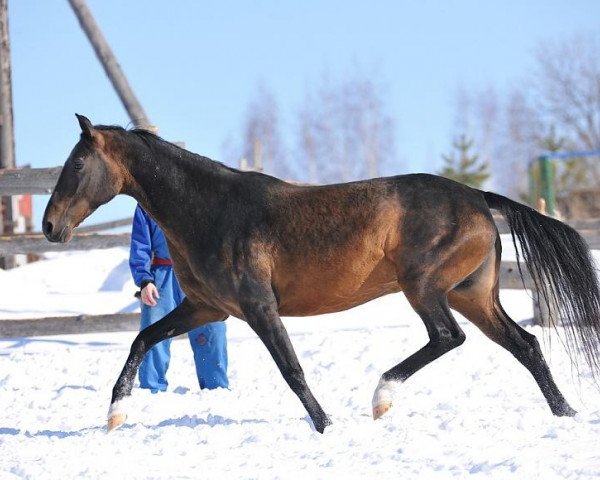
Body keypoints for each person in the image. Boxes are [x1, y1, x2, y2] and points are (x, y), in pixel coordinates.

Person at [129, 204, 229, 392]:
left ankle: (216, 388)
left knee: (211, 328)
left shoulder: (203, 194)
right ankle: (152, 389)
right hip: (161, 275)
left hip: (200, 274)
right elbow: (140, 241)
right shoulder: (147, 199)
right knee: (154, 329)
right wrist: (144, 279)